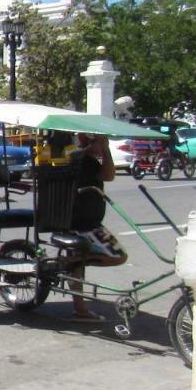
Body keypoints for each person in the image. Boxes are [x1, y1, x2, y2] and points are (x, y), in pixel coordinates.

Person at [66, 132, 127, 322]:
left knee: (78, 266)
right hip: (82, 224)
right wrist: (106, 149)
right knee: (119, 256)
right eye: (100, 142)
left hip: (91, 223)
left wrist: (103, 147)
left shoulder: (86, 159)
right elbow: (108, 175)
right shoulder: (81, 160)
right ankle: (76, 263)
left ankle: (80, 307)